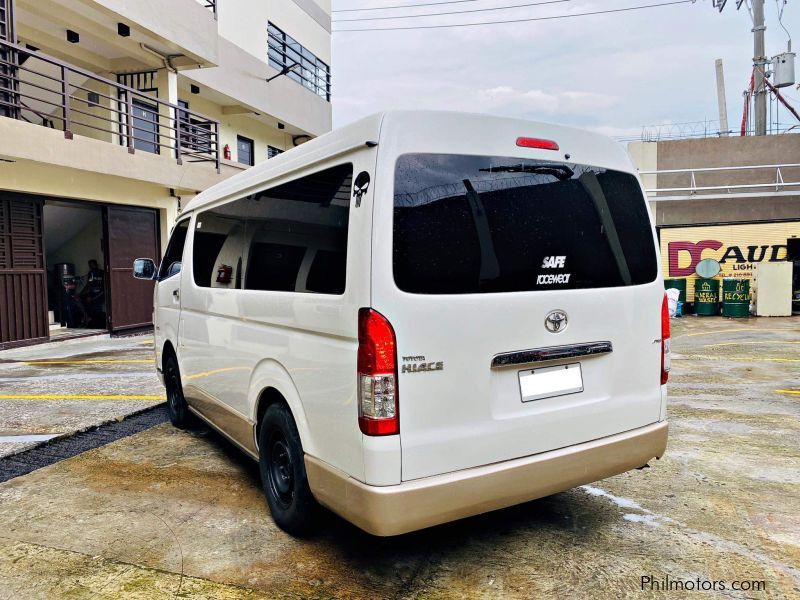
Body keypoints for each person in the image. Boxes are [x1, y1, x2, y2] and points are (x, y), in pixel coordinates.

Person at [80, 259, 106, 327]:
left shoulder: (101, 272)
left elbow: (90, 284)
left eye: (92, 265)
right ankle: (88, 319)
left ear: (96, 265)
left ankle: (97, 324)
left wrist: (90, 296)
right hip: (94, 295)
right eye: (90, 266)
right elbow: (89, 284)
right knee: (85, 302)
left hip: (100, 295)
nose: (91, 267)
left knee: (97, 311)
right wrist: (82, 293)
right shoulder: (92, 273)